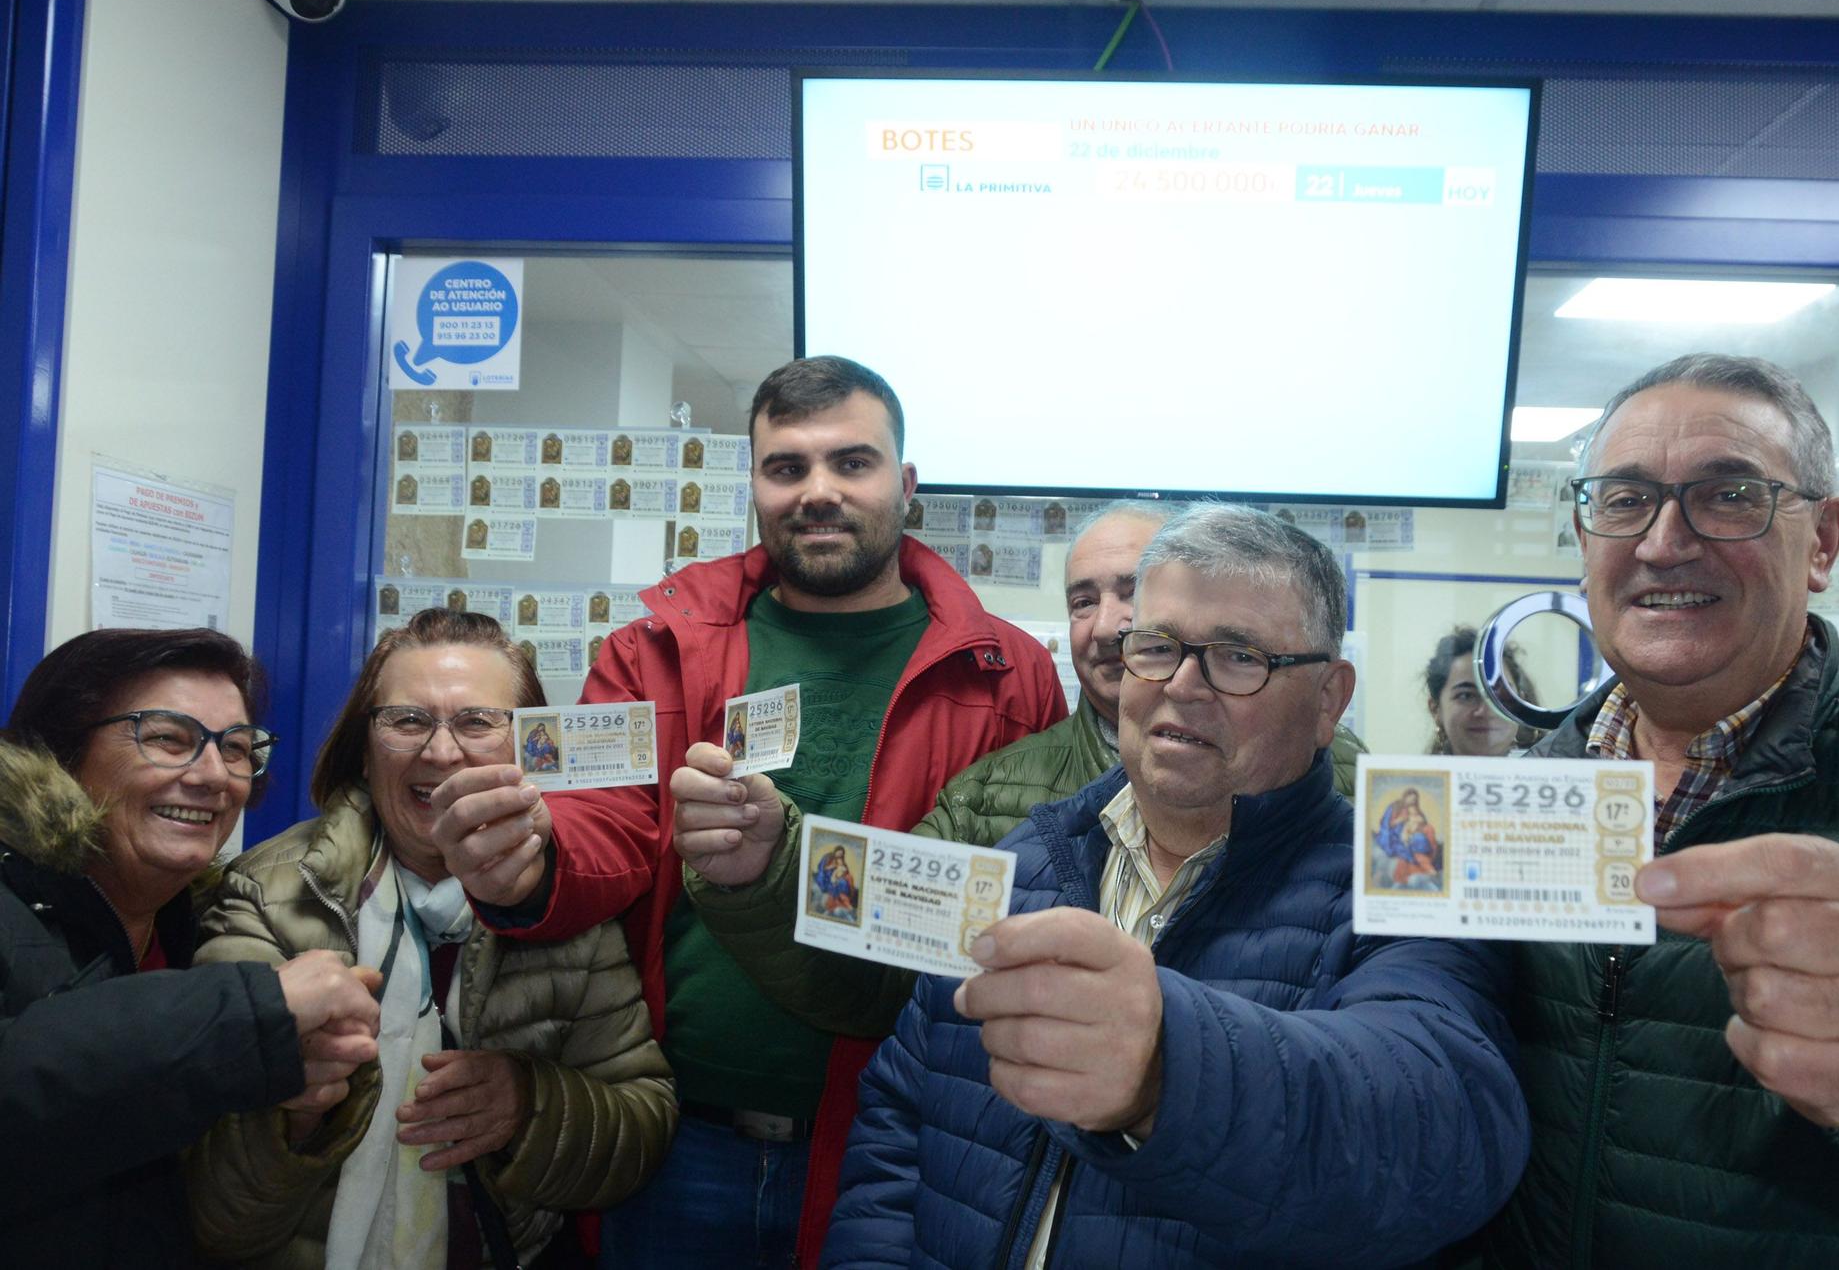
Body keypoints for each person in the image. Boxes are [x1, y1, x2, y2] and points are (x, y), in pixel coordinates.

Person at [429, 356, 1064, 1269]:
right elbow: (607, 822)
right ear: (755, 485)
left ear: (907, 484)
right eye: (786, 467)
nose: (819, 491)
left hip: (897, 1145)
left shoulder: (1003, 670)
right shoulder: (658, 645)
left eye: (852, 463)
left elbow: (1021, 894)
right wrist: (532, 860)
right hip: (682, 1140)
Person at [823, 503, 1527, 1266]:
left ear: (1329, 698)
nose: (1181, 687)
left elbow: (1439, 1133)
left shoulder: (1404, 882)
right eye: (1155, 647)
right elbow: (899, 1128)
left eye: (1237, 656)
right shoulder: (1025, 862)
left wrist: (1169, 1067)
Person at [1489, 354, 1839, 1265]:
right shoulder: (1522, 792)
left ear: (1823, 541)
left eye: (1728, 496)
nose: (1663, 541)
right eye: (1623, 499)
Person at [675, 501, 1371, 1044]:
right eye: (1082, 601)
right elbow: (887, 985)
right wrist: (769, 866)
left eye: (1133, 594)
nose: (1107, 626)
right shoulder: (992, 799)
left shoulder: (1367, 814)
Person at [185, 609, 676, 1268]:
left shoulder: (568, 904)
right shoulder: (267, 896)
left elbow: (640, 1132)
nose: (441, 752)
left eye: (477, 721)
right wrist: (295, 1114)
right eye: (408, 720)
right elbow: (212, 1211)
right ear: (364, 746)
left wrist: (528, 1105)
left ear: (530, 748)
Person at [0, 628, 382, 1268]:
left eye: (235, 749)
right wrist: (249, 1015)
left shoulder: (204, 929)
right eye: (168, 739)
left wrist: (298, 1114)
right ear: (60, 755)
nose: (211, 776)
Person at [1424, 625, 1540, 755]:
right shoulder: (1414, 774)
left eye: (1501, 695)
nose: (1487, 711)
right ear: (1435, 709)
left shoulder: (1555, 773)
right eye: (1466, 696)